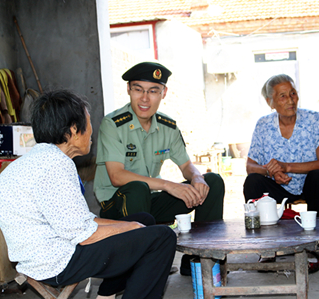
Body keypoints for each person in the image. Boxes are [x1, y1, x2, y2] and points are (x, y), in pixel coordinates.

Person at [0, 90, 177, 299]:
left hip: (42, 253)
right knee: (162, 238)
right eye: (89, 125)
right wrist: (134, 231)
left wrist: (133, 227)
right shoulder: (55, 166)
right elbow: (84, 235)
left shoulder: (37, 160)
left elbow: (81, 220)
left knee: (144, 220)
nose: (92, 132)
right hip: (56, 262)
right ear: (72, 130)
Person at [93, 61, 225, 275]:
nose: (145, 98)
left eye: (153, 91)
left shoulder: (168, 126)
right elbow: (116, 176)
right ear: (128, 90)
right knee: (137, 188)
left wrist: (197, 177)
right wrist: (168, 185)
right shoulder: (113, 124)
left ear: (164, 93)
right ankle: (141, 268)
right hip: (118, 205)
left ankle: (197, 261)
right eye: (138, 89)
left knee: (213, 182)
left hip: (150, 202)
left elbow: (186, 164)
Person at [243, 74, 319, 273]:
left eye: (293, 93)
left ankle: (316, 246)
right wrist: (271, 172)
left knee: (317, 177)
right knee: (252, 181)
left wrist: (286, 167)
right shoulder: (263, 125)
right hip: (280, 185)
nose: (291, 100)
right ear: (270, 102)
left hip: (315, 185)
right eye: (283, 96)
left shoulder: (315, 119)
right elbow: (250, 166)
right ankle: (266, 247)